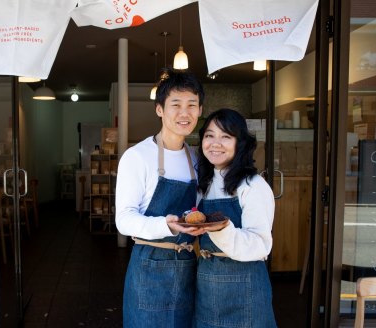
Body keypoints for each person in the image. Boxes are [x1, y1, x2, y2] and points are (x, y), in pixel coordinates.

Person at [115, 68, 205, 327]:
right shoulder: (137, 156)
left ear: (199, 110)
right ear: (160, 110)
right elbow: (124, 219)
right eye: (175, 104)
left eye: (192, 104)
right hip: (149, 268)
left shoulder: (197, 159)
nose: (184, 113)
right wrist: (164, 224)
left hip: (188, 264)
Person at [194, 108, 277, 327]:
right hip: (207, 287)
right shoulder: (205, 183)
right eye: (209, 135)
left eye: (226, 137)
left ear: (240, 144)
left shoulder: (253, 186)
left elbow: (260, 244)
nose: (215, 143)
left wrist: (221, 230)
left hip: (245, 289)